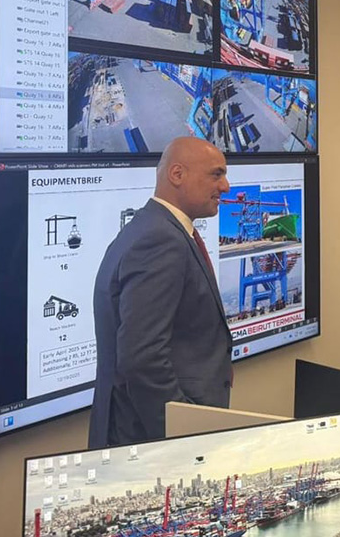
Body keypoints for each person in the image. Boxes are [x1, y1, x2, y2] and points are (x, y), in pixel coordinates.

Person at [89, 138, 233, 448]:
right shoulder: (160, 239)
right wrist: (184, 434)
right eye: (216, 174)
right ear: (177, 174)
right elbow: (143, 358)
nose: (226, 186)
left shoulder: (153, 228)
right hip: (152, 442)